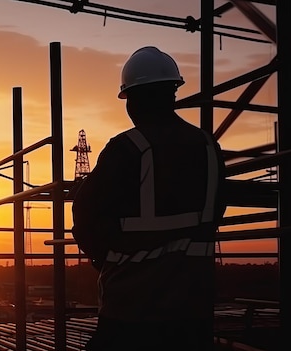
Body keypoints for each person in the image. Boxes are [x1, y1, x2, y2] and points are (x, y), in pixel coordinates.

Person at [71, 46, 226, 350]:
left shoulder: (127, 148)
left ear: (133, 100)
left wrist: (105, 258)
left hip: (131, 309)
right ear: (173, 93)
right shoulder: (208, 147)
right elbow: (216, 209)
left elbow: (85, 214)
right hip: (193, 310)